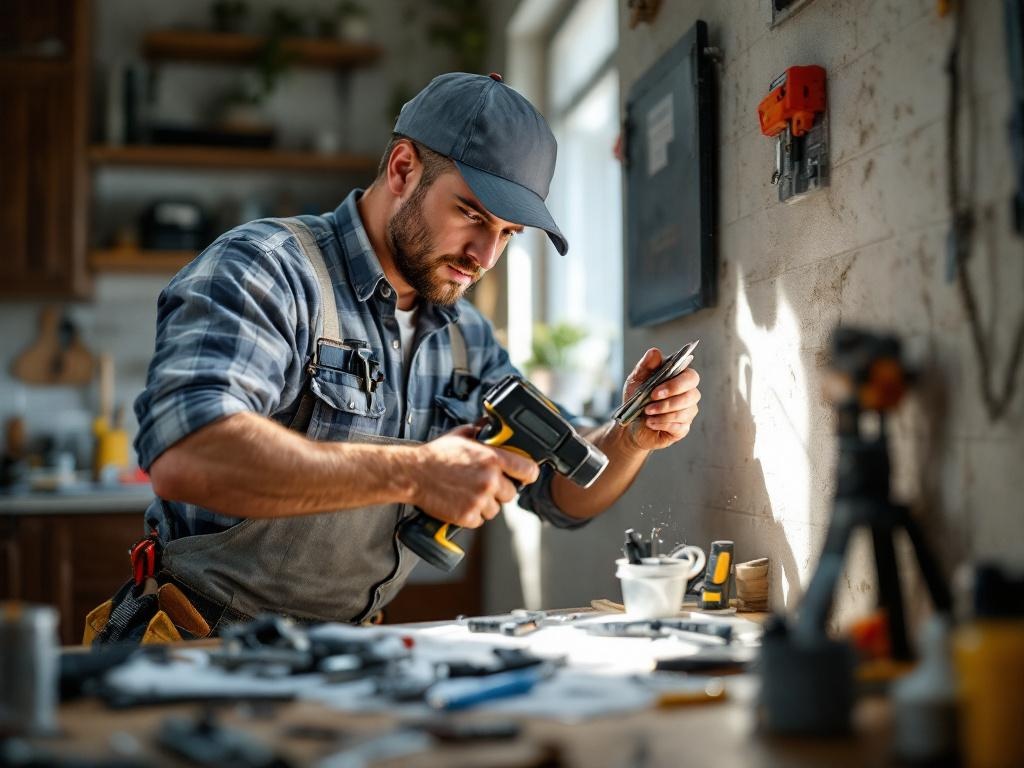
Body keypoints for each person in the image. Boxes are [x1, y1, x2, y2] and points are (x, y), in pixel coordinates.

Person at [118, 73, 701, 636]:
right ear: (403, 169)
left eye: (507, 234)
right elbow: (186, 453)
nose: (484, 255)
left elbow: (561, 494)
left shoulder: (465, 338)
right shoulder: (268, 268)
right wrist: (416, 472)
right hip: (202, 642)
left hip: (349, 651)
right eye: (471, 215)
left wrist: (630, 437)